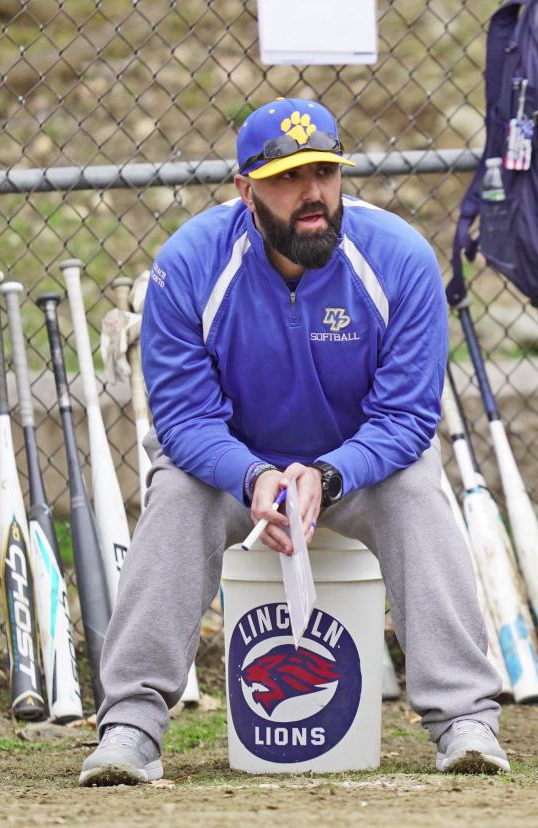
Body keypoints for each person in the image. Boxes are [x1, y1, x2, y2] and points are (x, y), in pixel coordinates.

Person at [80, 98, 507, 786]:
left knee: (417, 492)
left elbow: (405, 419)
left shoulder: (399, 257)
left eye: (325, 173)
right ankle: (132, 724)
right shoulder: (188, 263)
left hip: (356, 470)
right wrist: (253, 479)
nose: (313, 195)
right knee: (176, 493)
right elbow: (184, 421)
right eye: (287, 178)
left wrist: (329, 475)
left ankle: (465, 718)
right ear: (245, 191)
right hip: (237, 472)